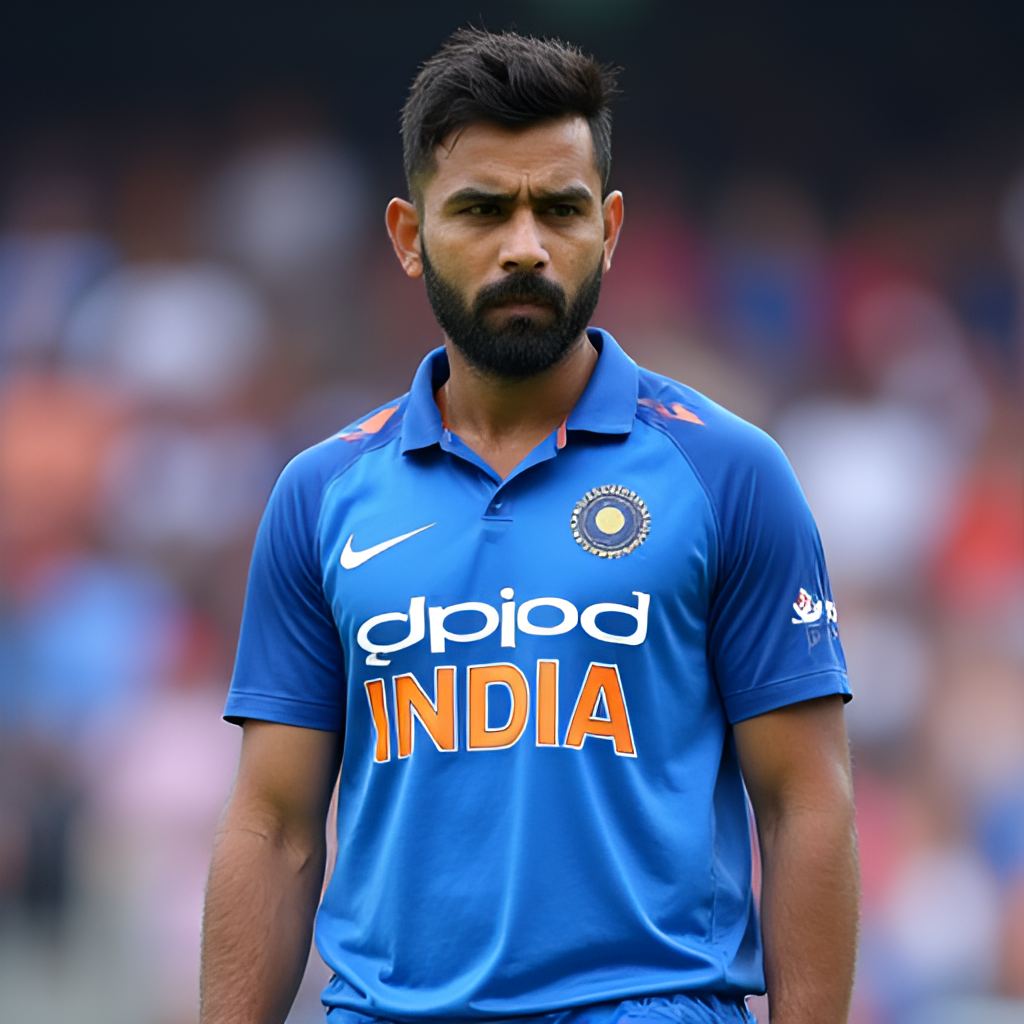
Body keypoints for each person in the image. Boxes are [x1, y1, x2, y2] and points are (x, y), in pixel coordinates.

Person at [200, 28, 858, 1024]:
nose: (523, 245)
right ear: (407, 233)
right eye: (479, 209)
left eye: (559, 208)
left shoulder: (728, 471)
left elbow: (804, 804)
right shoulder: (320, 492)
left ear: (611, 226)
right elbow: (275, 824)